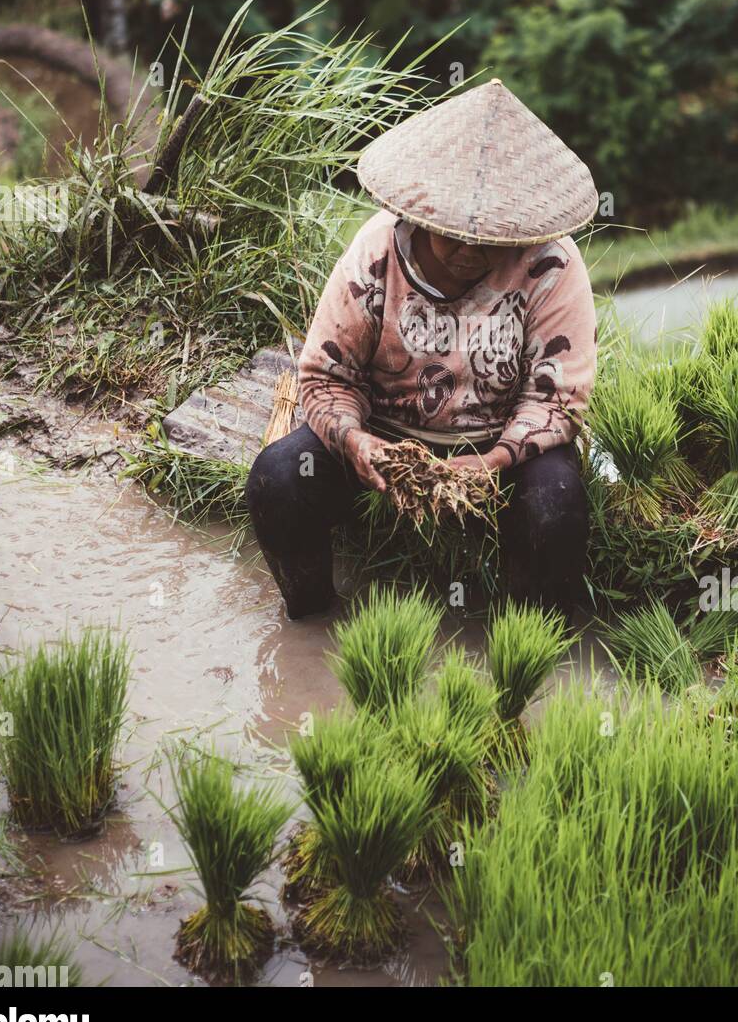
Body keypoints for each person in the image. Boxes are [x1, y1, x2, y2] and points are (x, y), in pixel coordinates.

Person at [245, 77, 599, 619]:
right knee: (280, 479)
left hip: (499, 448)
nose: (467, 253)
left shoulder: (550, 265)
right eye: (451, 234)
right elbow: (326, 377)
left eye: (487, 242)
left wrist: (494, 460)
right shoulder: (377, 252)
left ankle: (525, 639)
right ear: (422, 214)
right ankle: (316, 624)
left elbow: (558, 399)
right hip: (386, 439)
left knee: (555, 509)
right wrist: (357, 443)